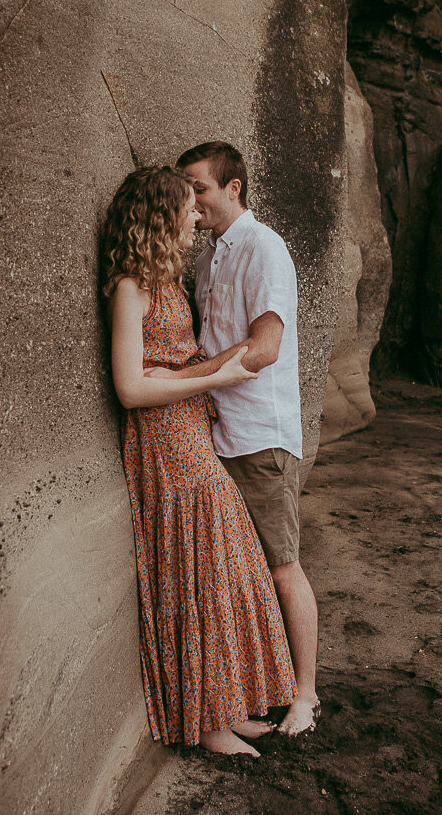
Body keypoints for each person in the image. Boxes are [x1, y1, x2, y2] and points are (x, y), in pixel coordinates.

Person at [102, 164, 299, 757]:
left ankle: (227, 705)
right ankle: (207, 721)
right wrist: (210, 377)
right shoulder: (131, 287)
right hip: (164, 439)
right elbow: (131, 389)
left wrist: (199, 374)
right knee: (195, 569)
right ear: (162, 216)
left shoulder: (169, 280)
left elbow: (178, 359)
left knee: (222, 564)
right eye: (187, 209)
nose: (196, 218)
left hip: (191, 429)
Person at [169, 141, 321, 737]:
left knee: (283, 567)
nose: (192, 199)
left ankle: (305, 695)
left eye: (199, 187)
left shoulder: (264, 248)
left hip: (259, 436)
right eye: (186, 188)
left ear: (233, 189)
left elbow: (264, 349)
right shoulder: (206, 259)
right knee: (236, 571)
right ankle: (252, 694)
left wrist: (182, 380)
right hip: (214, 432)